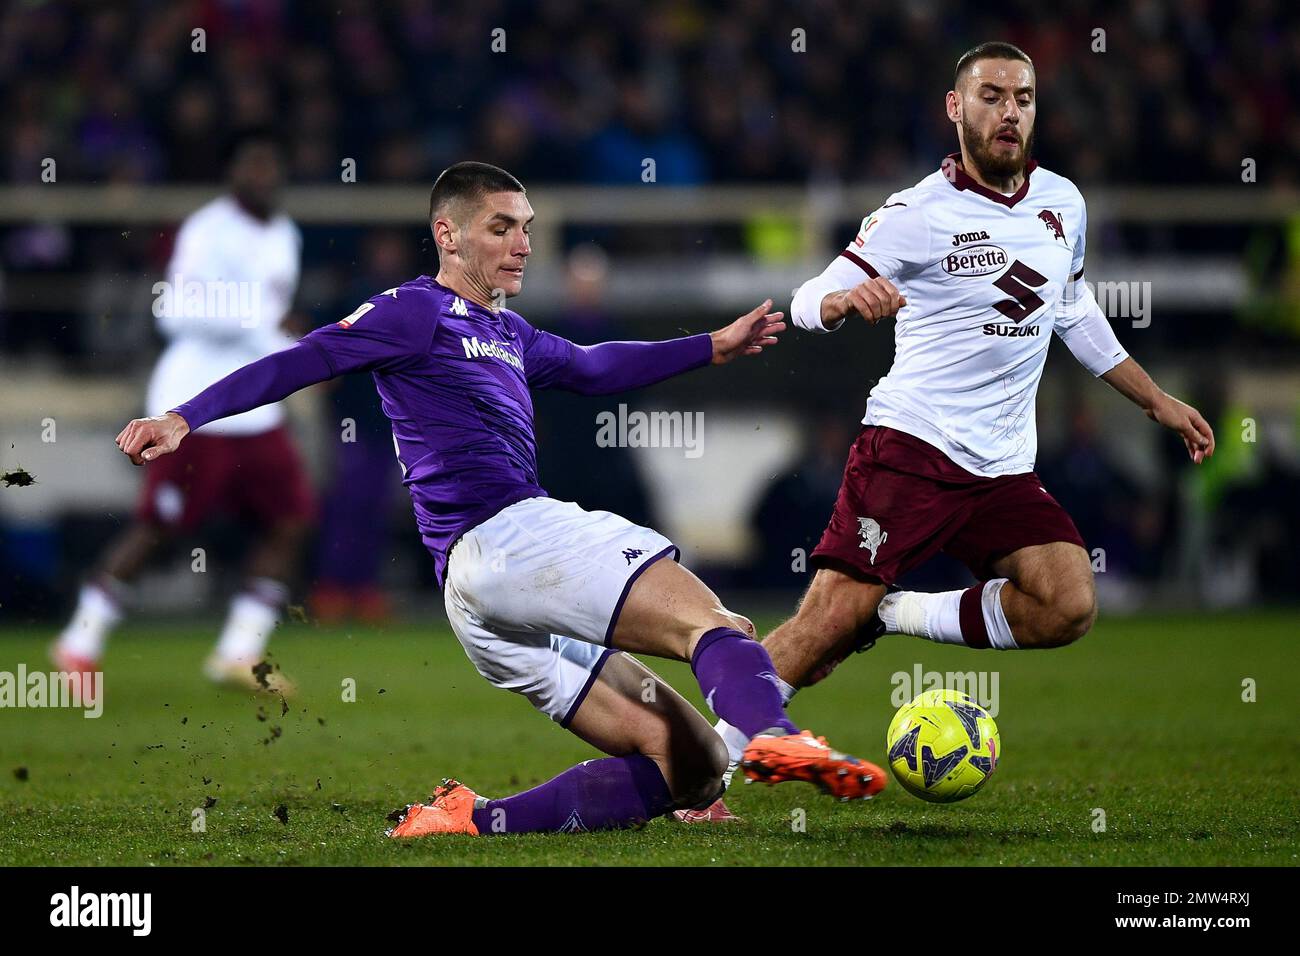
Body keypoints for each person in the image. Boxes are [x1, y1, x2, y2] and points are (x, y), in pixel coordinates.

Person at [114, 162, 885, 837]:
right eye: (501, 227)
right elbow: (302, 361)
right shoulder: (413, 312)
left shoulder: (509, 332)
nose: (522, 242)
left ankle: (473, 818)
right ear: (447, 235)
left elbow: (593, 366)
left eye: (527, 227)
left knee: (697, 769)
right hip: (508, 538)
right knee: (715, 626)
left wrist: (709, 346)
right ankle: (778, 735)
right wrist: (184, 416)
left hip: (482, 597)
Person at [710, 41, 1217, 775]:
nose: (1009, 112)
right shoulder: (917, 213)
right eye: (992, 96)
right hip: (913, 448)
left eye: (1023, 98)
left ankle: (894, 612)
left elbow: (1073, 310)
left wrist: (1157, 400)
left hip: (1005, 466)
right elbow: (804, 298)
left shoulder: (1064, 203)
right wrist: (845, 300)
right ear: (956, 109)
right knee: (824, 623)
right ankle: (700, 770)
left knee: (1067, 602)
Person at [53, 129, 311, 698]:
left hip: (256, 411)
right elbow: (175, 312)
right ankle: (79, 641)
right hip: (195, 408)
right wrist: (264, 326)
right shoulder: (207, 230)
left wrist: (282, 335)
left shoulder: (285, 233)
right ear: (234, 172)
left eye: (273, 165)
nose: (264, 176)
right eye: (254, 165)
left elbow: (273, 313)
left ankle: (238, 651)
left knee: (290, 519)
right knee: (161, 531)